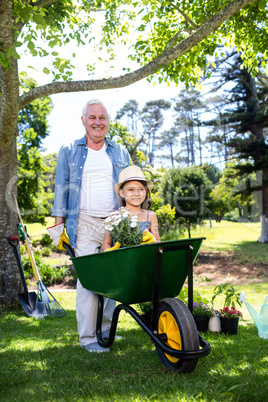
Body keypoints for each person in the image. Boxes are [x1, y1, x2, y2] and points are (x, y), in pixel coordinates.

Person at [47, 99, 130, 353]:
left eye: (102, 118)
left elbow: (128, 188)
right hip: (81, 221)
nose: (97, 122)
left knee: (112, 278)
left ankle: (105, 328)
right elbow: (61, 188)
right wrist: (58, 226)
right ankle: (88, 338)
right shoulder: (69, 150)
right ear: (83, 121)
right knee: (88, 279)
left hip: (114, 222)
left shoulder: (120, 152)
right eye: (92, 117)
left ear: (108, 122)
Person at [101, 165, 160, 251]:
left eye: (141, 189)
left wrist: (154, 243)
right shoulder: (114, 217)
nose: (136, 193)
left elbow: (157, 240)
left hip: (145, 259)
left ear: (145, 191)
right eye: (131, 189)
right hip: (121, 260)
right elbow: (106, 243)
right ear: (122, 193)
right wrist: (110, 252)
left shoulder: (150, 215)